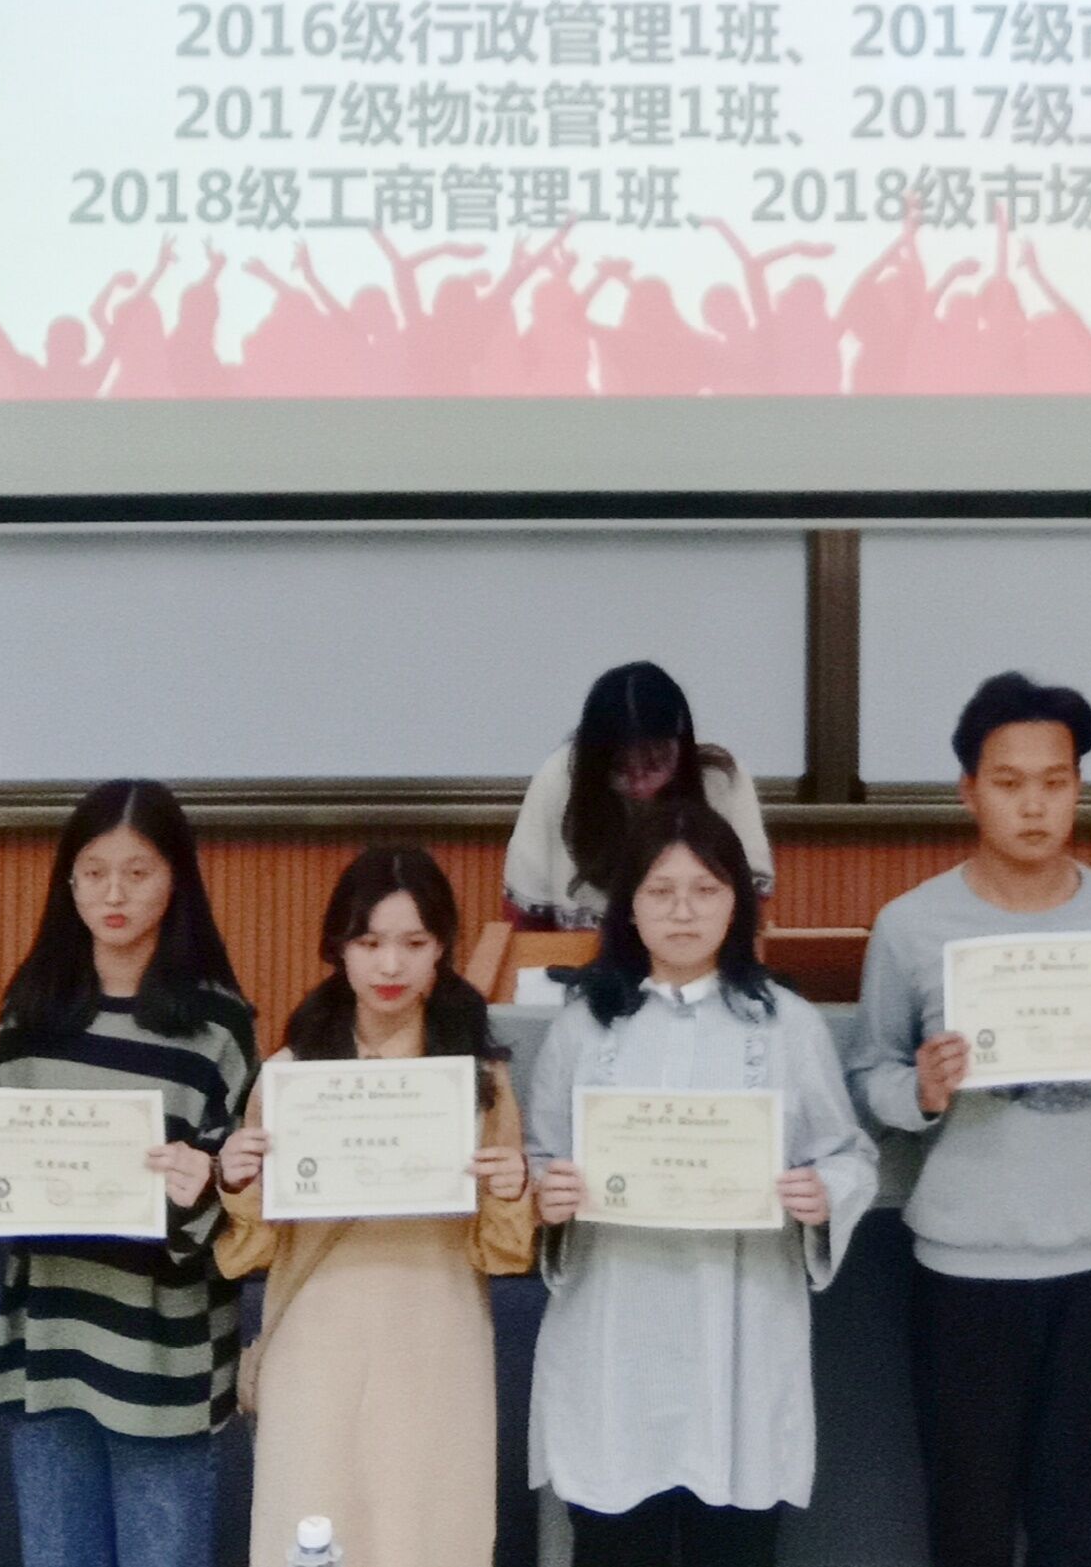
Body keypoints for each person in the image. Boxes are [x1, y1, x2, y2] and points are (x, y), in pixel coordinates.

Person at [848, 673, 1091, 1567]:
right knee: (969, 1521)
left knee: (1076, 1522)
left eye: (1054, 781)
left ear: (1078, 787)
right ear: (969, 790)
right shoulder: (912, 924)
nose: (1034, 804)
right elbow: (869, 1077)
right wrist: (921, 1090)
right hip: (964, 1263)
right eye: (1008, 782)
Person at [525, 798, 880, 1567]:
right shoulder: (585, 1023)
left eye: (705, 889)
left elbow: (848, 1152)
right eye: (660, 890)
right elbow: (537, 1155)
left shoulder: (785, 1023)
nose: (682, 910)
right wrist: (546, 1192)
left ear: (736, 901)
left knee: (734, 1545)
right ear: (629, 905)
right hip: (615, 1338)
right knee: (614, 1545)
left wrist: (825, 1192)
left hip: (738, 1339)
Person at [0, 779, 255, 1567]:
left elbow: (242, 1212)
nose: (114, 894)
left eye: (138, 871)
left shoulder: (218, 1024)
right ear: (69, 882)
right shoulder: (30, 1010)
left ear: (175, 879)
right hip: (50, 1337)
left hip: (163, 1352)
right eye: (94, 871)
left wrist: (205, 1186)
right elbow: (1, 1177)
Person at [214, 847, 539, 1567]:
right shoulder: (291, 1075)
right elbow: (247, 1254)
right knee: (313, 1529)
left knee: (430, 1538)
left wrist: (512, 1188)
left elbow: (503, 1253)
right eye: (369, 942)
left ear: (442, 948)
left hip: (437, 1345)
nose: (391, 965)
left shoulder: (477, 1078)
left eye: (414, 943)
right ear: (339, 947)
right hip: (316, 1348)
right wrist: (238, 1181)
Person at [503, 661, 776, 929]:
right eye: (620, 768)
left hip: (697, 948)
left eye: (656, 763)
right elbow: (525, 913)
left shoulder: (720, 778)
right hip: (583, 950)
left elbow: (749, 903)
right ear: (595, 763)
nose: (641, 785)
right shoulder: (560, 777)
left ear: (681, 744)